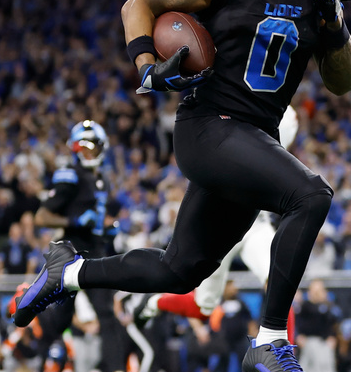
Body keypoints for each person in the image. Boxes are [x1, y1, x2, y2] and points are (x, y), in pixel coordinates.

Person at [12, 0, 351, 372]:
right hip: (209, 127)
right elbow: (141, 3)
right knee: (310, 196)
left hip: (253, 136)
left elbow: (344, 80)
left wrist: (334, 22)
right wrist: (147, 65)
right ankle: (270, 340)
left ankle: (68, 273)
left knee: (179, 271)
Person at [126, 106, 299, 332]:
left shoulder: (272, 117)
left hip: (255, 223)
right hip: (220, 227)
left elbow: (286, 119)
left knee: (280, 283)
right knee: (203, 308)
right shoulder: (228, 121)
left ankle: (283, 353)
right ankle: (154, 302)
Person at [10, 119, 140, 372]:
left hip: (95, 251)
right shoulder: (69, 174)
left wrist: (105, 229)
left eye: (92, 146)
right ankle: (25, 298)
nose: (88, 151)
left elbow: (96, 218)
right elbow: (42, 217)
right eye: (83, 146)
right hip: (70, 256)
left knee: (100, 314)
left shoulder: (102, 177)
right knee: (63, 323)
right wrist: (75, 221)